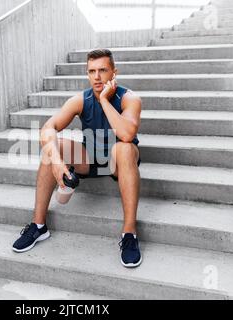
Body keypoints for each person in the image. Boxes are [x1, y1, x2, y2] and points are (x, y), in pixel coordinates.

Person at [12, 49, 143, 268]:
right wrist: (56, 161)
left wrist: (104, 101)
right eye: (92, 71)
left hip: (118, 161)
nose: (97, 76)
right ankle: (38, 225)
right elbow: (48, 127)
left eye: (103, 70)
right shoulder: (80, 100)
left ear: (114, 72)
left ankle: (129, 233)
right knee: (52, 148)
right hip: (91, 156)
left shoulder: (130, 98)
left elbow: (127, 134)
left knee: (125, 148)